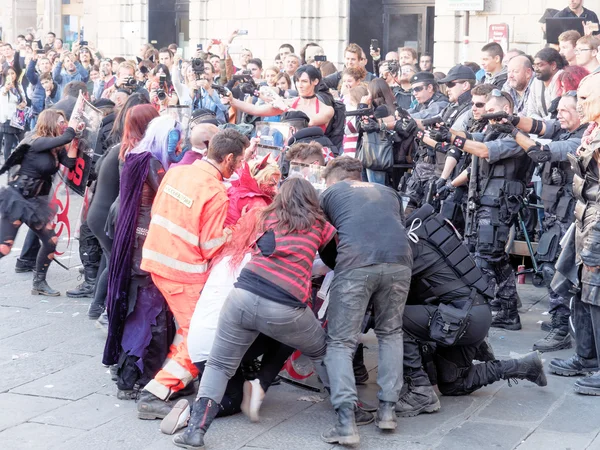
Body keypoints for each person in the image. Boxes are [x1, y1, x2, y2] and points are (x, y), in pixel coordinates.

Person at [173, 177, 336, 450]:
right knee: (322, 350)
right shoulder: (320, 225)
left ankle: (195, 432)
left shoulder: (266, 218)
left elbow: (266, 246)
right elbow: (333, 260)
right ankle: (347, 411)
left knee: (218, 366)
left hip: (241, 298)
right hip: (287, 306)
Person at [136, 129, 249, 419]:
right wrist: (233, 233)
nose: (237, 169)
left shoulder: (177, 173)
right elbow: (211, 246)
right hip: (183, 271)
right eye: (237, 163)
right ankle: (156, 393)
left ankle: (177, 379)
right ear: (228, 159)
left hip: (157, 259)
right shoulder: (215, 192)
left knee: (187, 330)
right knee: (198, 336)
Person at [397, 203, 547, 416]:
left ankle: (419, 392)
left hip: (462, 320)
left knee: (392, 319)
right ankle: (523, 366)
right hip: (468, 316)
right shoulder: (426, 232)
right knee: (453, 384)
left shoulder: (412, 243)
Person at [318, 157, 412, 445]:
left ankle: (346, 422)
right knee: (391, 333)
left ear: (334, 179)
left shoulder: (330, 194)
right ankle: (387, 412)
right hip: (400, 263)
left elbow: (324, 240)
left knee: (340, 342)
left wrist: (339, 266)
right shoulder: (389, 192)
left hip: (357, 263)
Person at [432, 91, 533, 331]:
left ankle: (475, 317)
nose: (484, 115)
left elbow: (483, 150)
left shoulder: (517, 138)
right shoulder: (491, 132)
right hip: (483, 203)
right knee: (495, 259)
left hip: (499, 206)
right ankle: (508, 313)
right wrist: (442, 135)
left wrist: (454, 139)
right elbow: (471, 141)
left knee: (484, 260)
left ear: (504, 111)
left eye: (489, 110)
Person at [104, 111, 186, 399]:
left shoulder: (136, 156)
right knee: (147, 313)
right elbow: (168, 196)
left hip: (138, 244)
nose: (177, 146)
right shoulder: (149, 161)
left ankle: (136, 376)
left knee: (143, 312)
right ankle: (134, 379)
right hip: (145, 247)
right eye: (175, 139)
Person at [505, 92, 585, 353]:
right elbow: (540, 126)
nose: (559, 114)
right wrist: (512, 119)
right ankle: (563, 322)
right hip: (555, 217)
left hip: (571, 220)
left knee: (560, 275)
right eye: (558, 109)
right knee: (551, 268)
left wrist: (512, 131)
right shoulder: (562, 129)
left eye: (565, 110)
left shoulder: (582, 138)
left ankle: (562, 328)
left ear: (581, 112)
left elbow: (540, 153)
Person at [548, 73, 600, 395]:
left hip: (598, 219)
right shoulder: (592, 130)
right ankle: (587, 357)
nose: (579, 105)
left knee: (597, 293)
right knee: (578, 285)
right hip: (584, 216)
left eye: (585, 98)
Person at [0, 109, 78, 295]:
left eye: (64, 121)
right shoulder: (37, 141)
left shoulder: (53, 148)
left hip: (35, 203)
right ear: (50, 123)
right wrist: (72, 129)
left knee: (50, 241)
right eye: (60, 122)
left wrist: (74, 142)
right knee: (4, 247)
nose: (63, 125)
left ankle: (39, 283)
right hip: (17, 199)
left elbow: (70, 163)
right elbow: (65, 137)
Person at [87, 93, 150, 320]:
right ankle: (101, 310)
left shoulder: (121, 146)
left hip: (99, 212)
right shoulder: (128, 150)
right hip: (105, 213)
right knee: (116, 262)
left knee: (110, 259)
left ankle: (99, 307)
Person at [226, 65, 334, 131]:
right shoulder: (289, 102)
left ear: (315, 81)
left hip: (312, 156)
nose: (300, 85)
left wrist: (284, 107)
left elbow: (307, 122)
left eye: (304, 81)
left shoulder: (327, 109)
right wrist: (232, 100)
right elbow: (256, 110)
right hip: (290, 153)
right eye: (297, 81)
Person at [224, 157, 281, 226]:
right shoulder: (256, 202)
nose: (275, 190)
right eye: (271, 185)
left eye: (276, 185)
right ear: (258, 179)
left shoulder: (233, 188)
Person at [525, 48, 566, 119]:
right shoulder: (536, 82)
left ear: (553, 65)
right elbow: (530, 111)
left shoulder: (562, 79)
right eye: (534, 66)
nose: (536, 69)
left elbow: (555, 114)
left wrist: (541, 124)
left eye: (539, 65)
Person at [0, 66, 26, 161]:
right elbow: (3, 94)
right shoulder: (3, 87)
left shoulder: (19, 85)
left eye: (12, 73)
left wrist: (23, 103)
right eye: (8, 74)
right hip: (8, 119)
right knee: (8, 144)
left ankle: (21, 161)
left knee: (22, 141)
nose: (11, 76)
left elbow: (24, 98)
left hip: (19, 118)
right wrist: (7, 88)